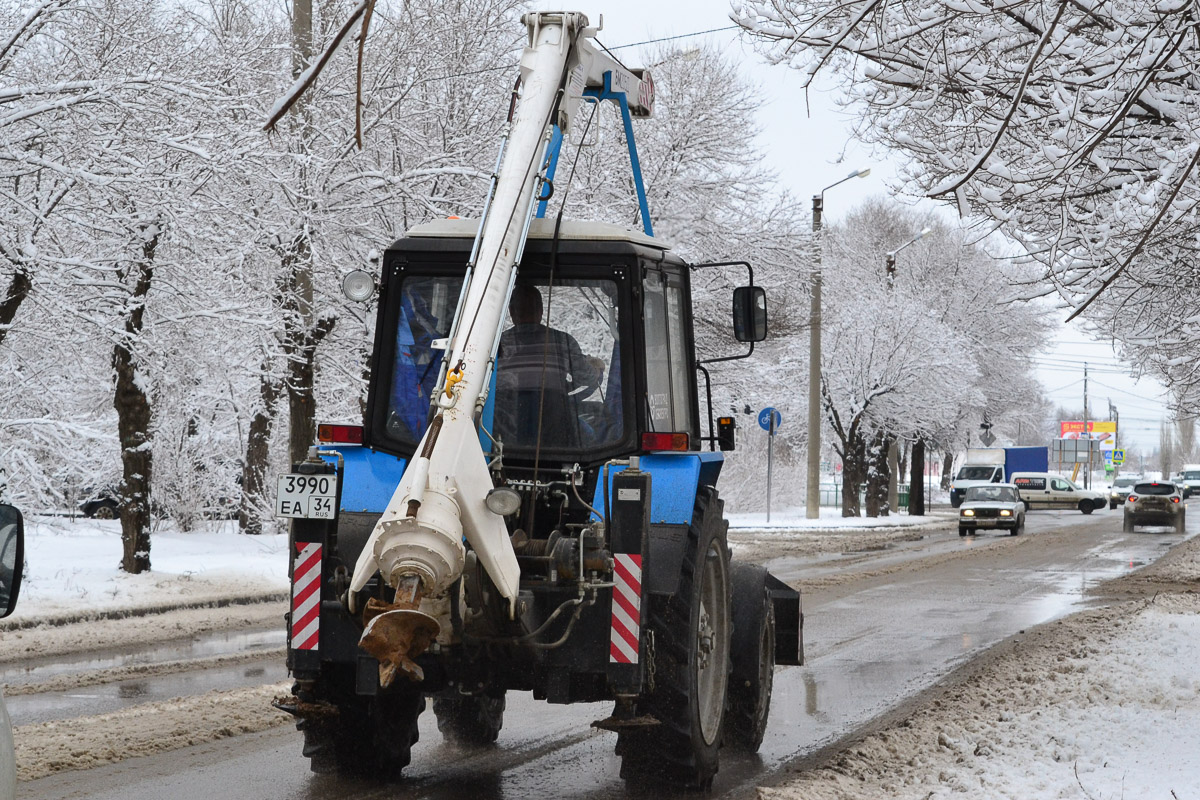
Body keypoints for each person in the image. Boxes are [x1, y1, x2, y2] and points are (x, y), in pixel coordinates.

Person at [495, 284, 603, 448]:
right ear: (541, 310)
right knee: (589, 437)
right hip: (553, 428)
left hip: (505, 429)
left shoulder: (498, 344)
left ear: (511, 312)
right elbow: (586, 377)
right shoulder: (562, 341)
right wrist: (596, 368)